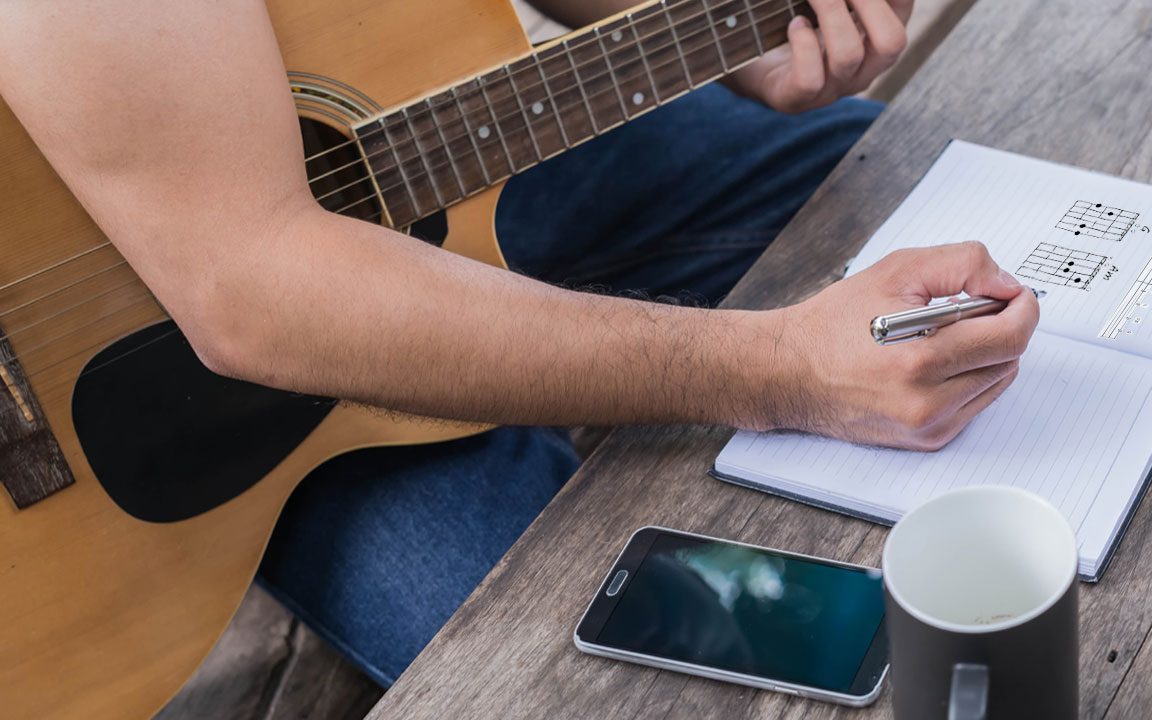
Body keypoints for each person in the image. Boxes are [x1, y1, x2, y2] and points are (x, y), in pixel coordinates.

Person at [0, 0, 1037, 687]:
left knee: (983, 224)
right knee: (642, 677)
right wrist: (785, 368)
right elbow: (252, 290)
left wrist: (732, 21)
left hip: (447, 135)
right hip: (188, 428)